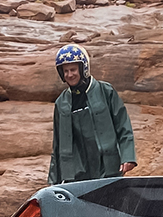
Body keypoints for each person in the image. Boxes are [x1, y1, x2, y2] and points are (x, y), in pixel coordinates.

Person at [50, 44, 136, 185]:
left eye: (73, 69)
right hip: (78, 171)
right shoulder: (61, 103)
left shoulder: (105, 91)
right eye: (65, 71)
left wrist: (128, 157)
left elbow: (123, 125)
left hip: (107, 164)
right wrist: (54, 180)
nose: (69, 75)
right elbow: (57, 144)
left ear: (83, 68)